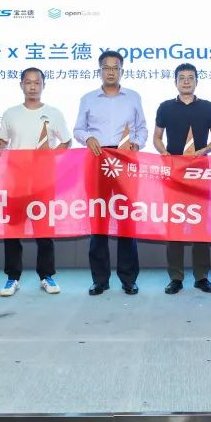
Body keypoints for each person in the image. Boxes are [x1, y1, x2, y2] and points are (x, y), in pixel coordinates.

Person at [0, 67, 71, 297]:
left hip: (43, 181)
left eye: (37, 82)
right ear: (21, 85)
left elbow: (66, 142)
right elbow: (2, 140)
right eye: (28, 82)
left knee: (44, 231)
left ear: (43, 85)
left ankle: (46, 276)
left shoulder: (54, 113)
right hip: (15, 180)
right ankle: (12, 278)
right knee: (12, 231)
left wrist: (51, 158)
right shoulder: (10, 113)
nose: (33, 86)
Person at [73, 50, 148, 296]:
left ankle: (128, 279)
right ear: (100, 70)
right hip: (98, 159)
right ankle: (100, 279)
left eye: (115, 68)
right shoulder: (87, 99)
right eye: (106, 67)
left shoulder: (133, 97)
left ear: (122, 71)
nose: (111, 72)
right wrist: (88, 138)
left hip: (126, 161)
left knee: (127, 219)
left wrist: (136, 143)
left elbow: (142, 129)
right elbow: (78, 129)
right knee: (99, 219)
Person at [154, 63, 211, 295]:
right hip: (173, 173)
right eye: (181, 77)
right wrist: (163, 152)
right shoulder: (165, 107)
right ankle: (175, 277)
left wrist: (203, 151)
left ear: (196, 81)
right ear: (175, 81)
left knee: (199, 224)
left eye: (190, 77)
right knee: (174, 224)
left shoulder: (207, 107)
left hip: (199, 172)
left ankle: (201, 277)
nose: (186, 81)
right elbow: (157, 137)